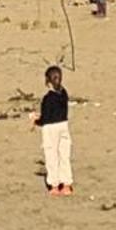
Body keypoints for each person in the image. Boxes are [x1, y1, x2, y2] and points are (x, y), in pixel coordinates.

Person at [32, 65, 74, 196]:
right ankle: (67, 184)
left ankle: (54, 185)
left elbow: (45, 119)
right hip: (63, 125)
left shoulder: (47, 98)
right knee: (64, 154)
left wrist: (36, 120)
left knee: (51, 155)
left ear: (47, 81)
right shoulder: (64, 94)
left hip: (50, 128)